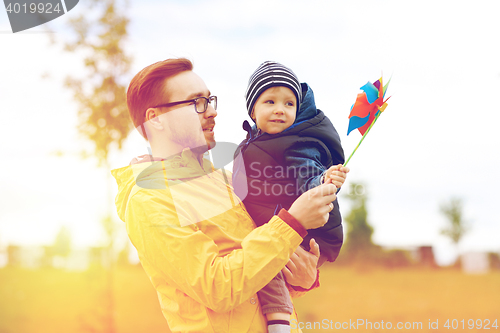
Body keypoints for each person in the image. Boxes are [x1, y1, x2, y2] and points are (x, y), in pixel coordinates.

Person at [111, 58, 339, 333]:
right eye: (196, 103)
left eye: (210, 101)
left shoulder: (228, 180)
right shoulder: (149, 201)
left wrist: (302, 277)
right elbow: (219, 287)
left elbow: (261, 271)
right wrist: (292, 222)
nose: (211, 112)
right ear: (155, 120)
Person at [232, 61, 350, 332]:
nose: (279, 110)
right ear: (252, 109)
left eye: (288, 104)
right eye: (270, 101)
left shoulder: (297, 143)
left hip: (307, 232)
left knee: (266, 265)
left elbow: (308, 176)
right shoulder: (256, 142)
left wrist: (322, 181)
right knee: (258, 259)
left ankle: (280, 323)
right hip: (282, 223)